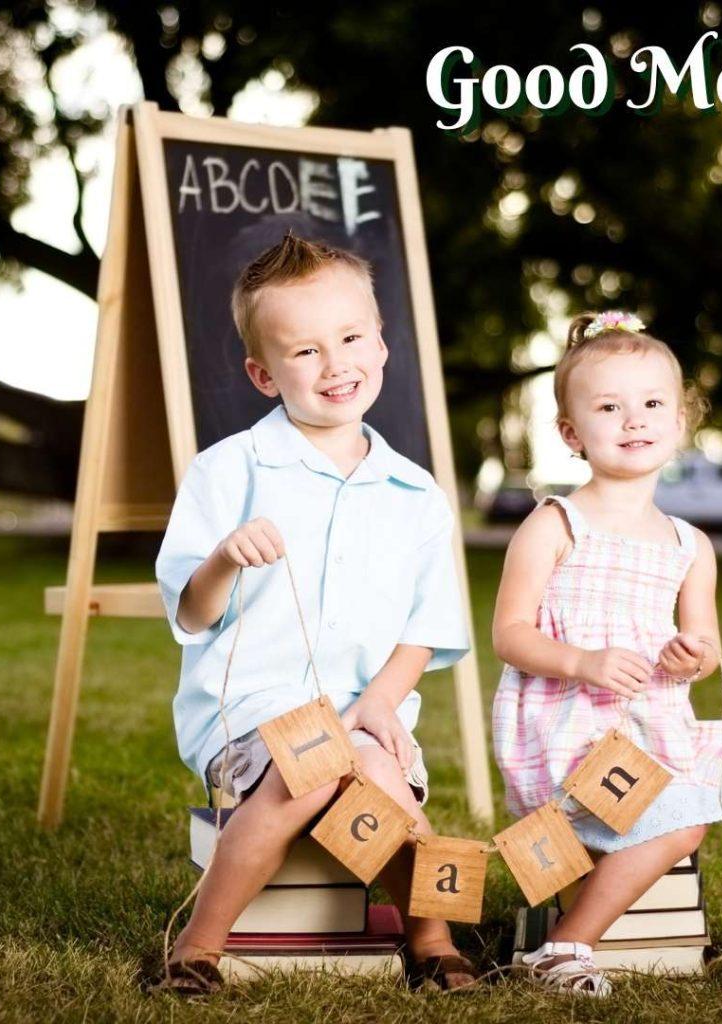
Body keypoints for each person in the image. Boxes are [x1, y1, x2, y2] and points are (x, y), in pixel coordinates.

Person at [491, 310, 722, 997]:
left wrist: (692, 654)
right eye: (609, 406)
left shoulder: (690, 545)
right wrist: (583, 661)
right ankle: (563, 945)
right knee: (679, 822)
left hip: (660, 730)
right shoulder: (554, 525)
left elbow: (707, 646)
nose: (634, 420)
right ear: (572, 432)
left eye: (653, 403)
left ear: (681, 419)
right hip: (569, 738)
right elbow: (509, 634)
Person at [152, 234, 478, 995]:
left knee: (369, 769)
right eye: (305, 352)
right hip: (249, 719)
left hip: (367, 715)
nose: (336, 365)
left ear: (383, 345)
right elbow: (194, 615)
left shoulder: (416, 495)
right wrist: (226, 555)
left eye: (351, 338)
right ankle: (197, 949)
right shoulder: (227, 471)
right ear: (264, 374)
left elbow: (424, 631)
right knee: (315, 767)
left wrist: (377, 706)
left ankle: (432, 943)